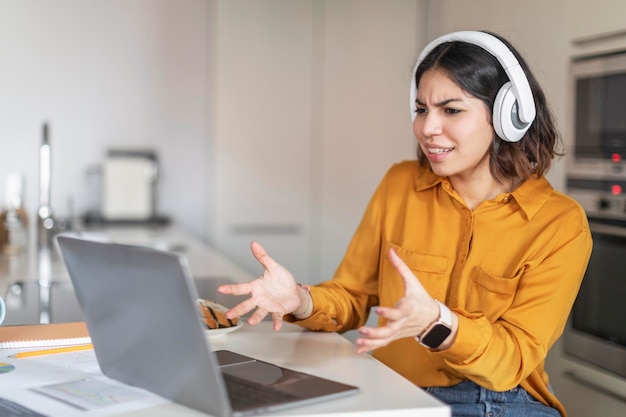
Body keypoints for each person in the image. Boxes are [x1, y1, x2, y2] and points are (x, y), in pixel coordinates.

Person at [218, 30, 592, 417]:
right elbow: (353, 297)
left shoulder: (559, 223)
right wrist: (300, 299)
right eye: (421, 109)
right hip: (391, 390)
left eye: (451, 110)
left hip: (495, 401)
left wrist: (438, 322)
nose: (428, 128)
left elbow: (512, 358)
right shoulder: (400, 185)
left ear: (508, 116)